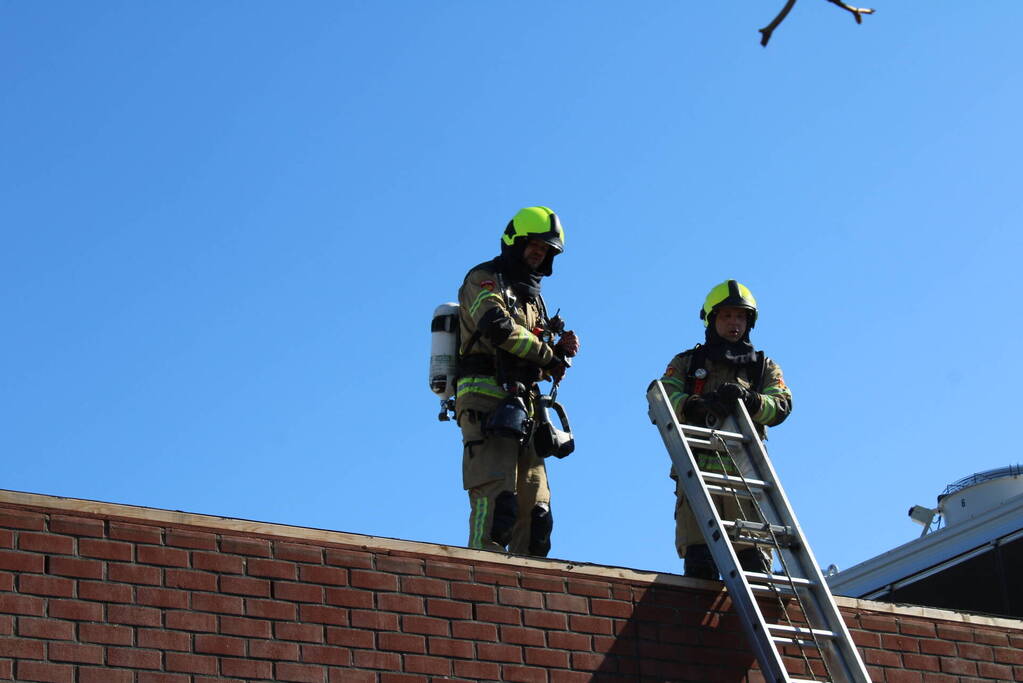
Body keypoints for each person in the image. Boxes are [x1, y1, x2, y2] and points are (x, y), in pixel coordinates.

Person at [455, 206, 580, 556]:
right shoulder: (483, 278)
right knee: (498, 502)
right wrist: (547, 354)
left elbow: (535, 354)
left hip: (525, 405)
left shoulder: (533, 300)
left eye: (546, 252)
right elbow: (497, 327)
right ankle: (480, 576)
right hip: (484, 399)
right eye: (534, 247)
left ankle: (528, 593)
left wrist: (558, 354)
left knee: (536, 510)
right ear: (515, 242)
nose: (539, 256)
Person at [657, 280, 792, 579]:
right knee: (700, 565)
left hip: (745, 477)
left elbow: (781, 404)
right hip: (697, 476)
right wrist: (695, 406)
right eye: (727, 316)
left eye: (741, 317)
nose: (735, 323)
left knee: (755, 567)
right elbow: (661, 398)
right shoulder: (687, 364)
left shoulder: (763, 367)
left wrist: (752, 400)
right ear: (712, 319)